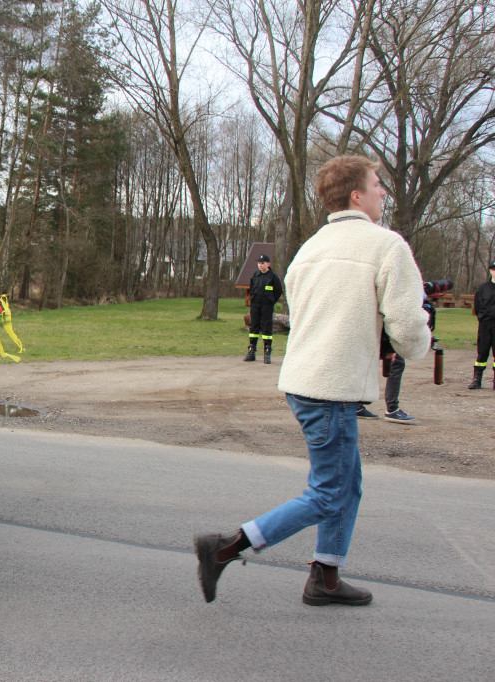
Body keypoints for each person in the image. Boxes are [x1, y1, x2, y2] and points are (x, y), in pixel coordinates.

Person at [194, 155, 431, 607]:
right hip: (332, 389)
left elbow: (312, 317)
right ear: (357, 195)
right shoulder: (386, 246)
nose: (384, 192)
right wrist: (419, 343)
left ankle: (325, 576)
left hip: (305, 381)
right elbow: (406, 325)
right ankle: (225, 548)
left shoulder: (312, 247)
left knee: (348, 484)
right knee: (329, 494)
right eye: (378, 184)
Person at [243, 254, 283, 364]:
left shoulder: (273, 277)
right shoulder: (255, 275)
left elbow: (278, 291)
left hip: (267, 306)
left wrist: (271, 300)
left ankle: (267, 352)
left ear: (268, 264)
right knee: (254, 328)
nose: (260, 265)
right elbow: (251, 288)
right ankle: (251, 351)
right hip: (255, 305)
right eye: (259, 263)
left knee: (266, 328)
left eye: (263, 263)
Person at [468, 261, 495, 390]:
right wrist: (482, 317)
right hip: (485, 325)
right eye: (493, 269)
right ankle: (477, 379)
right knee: (482, 352)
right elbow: (477, 305)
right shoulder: (483, 288)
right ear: (490, 270)